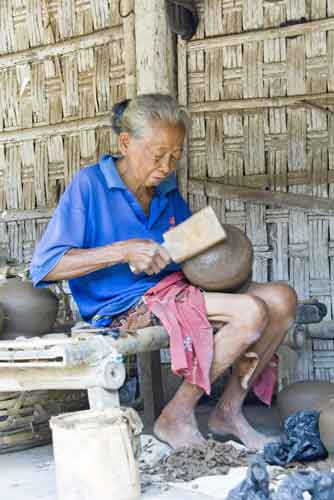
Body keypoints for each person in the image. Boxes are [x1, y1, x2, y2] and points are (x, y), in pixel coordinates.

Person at [30, 94, 297, 450]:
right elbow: (45, 266)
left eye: (175, 155)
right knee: (248, 313)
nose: (167, 165)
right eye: (158, 155)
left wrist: (208, 239)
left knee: (281, 299)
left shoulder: (165, 189)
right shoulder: (90, 185)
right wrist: (122, 251)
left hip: (175, 289)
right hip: (122, 305)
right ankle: (176, 415)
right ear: (126, 143)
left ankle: (228, 412)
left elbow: (187, 251)